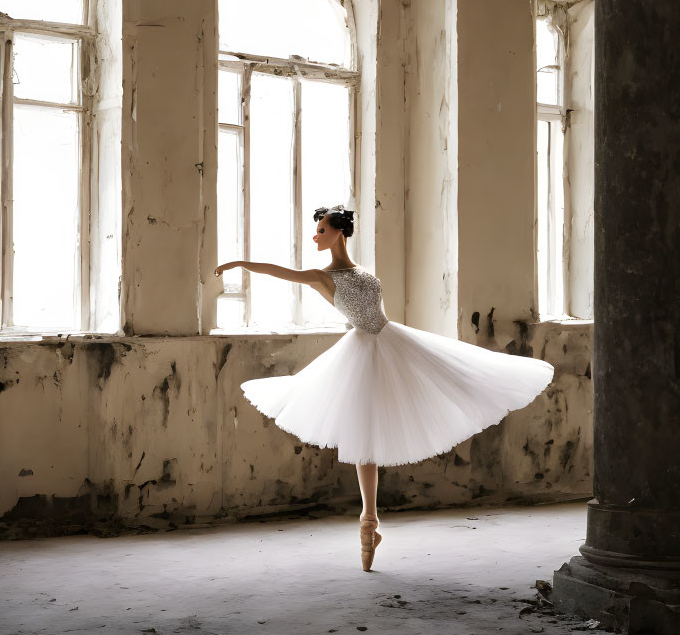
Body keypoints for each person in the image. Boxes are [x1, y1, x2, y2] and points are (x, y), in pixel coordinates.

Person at [214, 204, 554, 571]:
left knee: (398, 417)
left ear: (339, 233)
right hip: (368, 348)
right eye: (316, 231)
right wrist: (241, 265)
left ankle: (368, 521)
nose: (316, 236)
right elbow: (282, 272)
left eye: (322, 231)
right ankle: (368, 520)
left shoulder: (351, 273)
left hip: (386, 343)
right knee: (366, 437)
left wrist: (240, 264)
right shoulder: (325, 275)